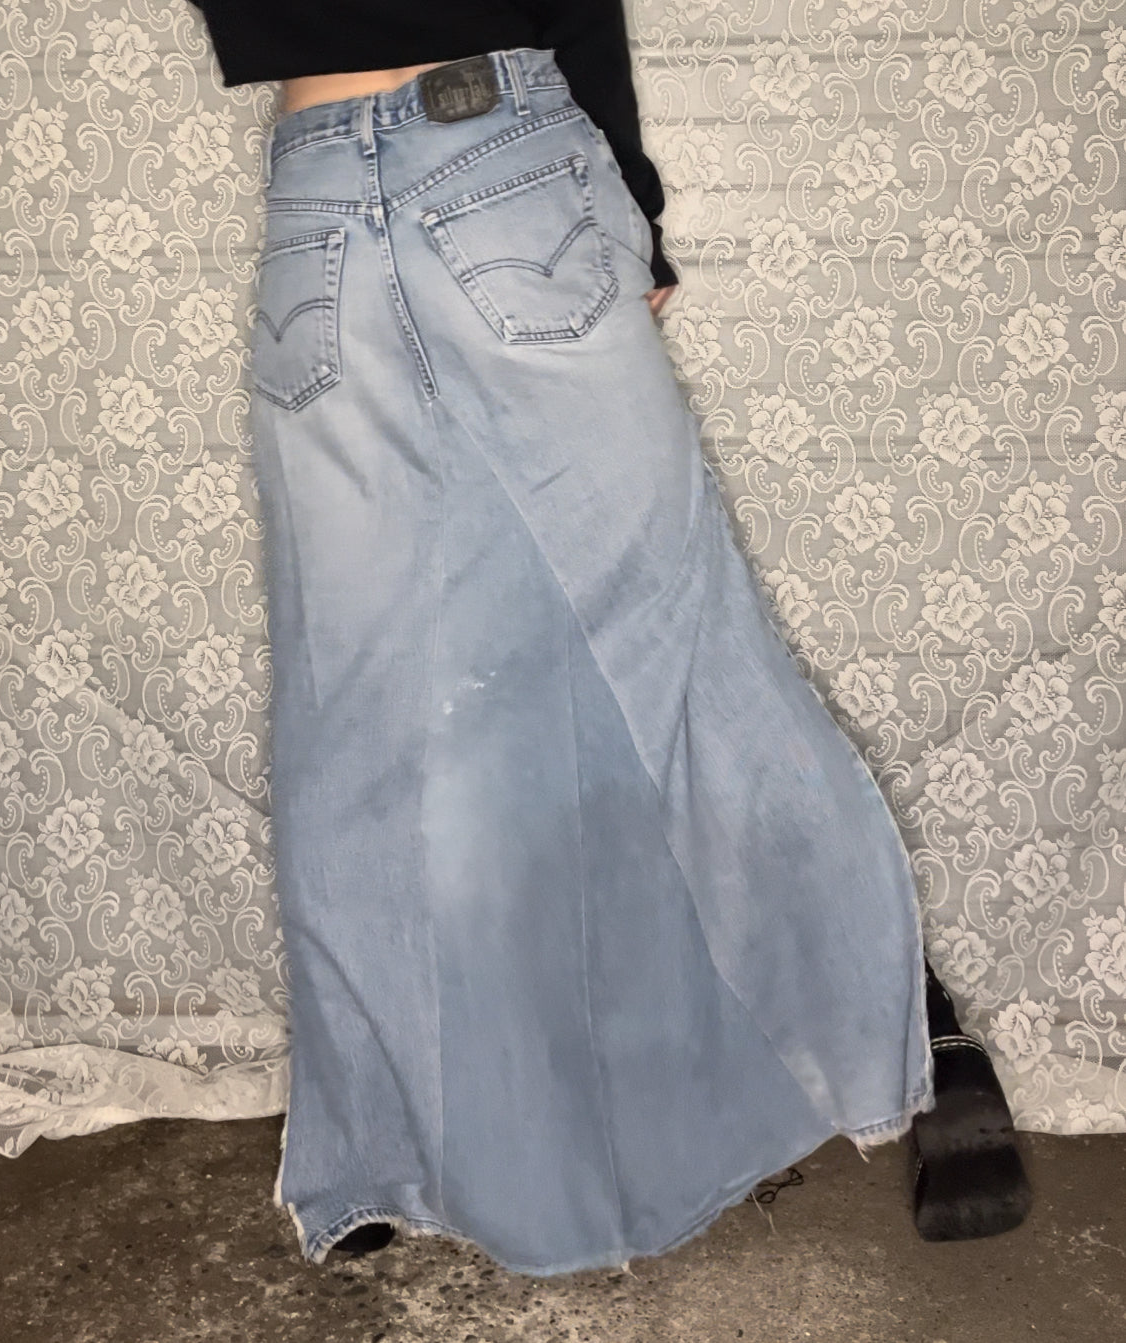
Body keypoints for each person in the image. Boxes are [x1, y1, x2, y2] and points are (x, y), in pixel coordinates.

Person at [186, 0, 940, 1275]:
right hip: (502, 160)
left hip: (315, 191)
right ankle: (858, 1033)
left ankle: (378, 1150)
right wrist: (628, 191)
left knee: (356, 721)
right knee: (675, 642)